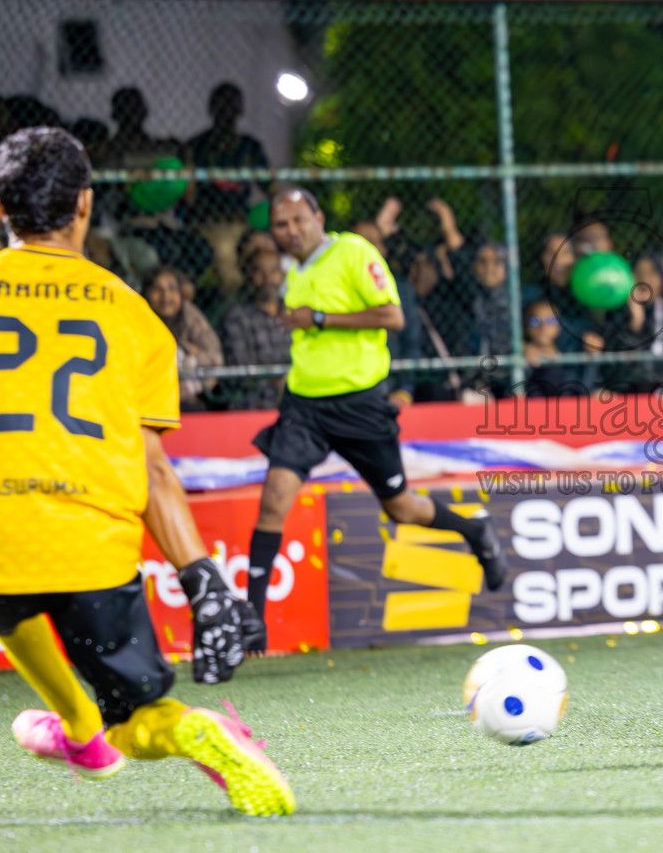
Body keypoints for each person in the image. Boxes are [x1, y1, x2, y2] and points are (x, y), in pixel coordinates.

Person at [0, 127, 292, 814]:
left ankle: (80, 730)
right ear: (86, 205)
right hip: (91, 555)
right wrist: (203, 582)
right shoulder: (135, 315)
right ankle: (159, 730)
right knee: (142, 721)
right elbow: (153, 473)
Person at [246, 187, 507, 644]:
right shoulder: (293, 272)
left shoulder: (352, 251)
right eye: (281, 225)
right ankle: (252, 623)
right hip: (304, 405)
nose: (291, 231)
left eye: (298, 220)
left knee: (402, 508)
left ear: (317, 216)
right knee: (273, 499)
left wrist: (320, 318)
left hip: (360, 404)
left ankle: (475, 530)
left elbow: (393, 315)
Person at [220, 247, 293, 409]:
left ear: (282, 275)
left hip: (297, 397)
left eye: (274, 271)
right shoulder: (237, 318)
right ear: (249, 276)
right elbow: (242, 373)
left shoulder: (295, 313)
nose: (268, 279)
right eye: (260, 272)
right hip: (256, 404)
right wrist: (282, 381)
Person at [143, 265, 223, 411]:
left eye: (172, 289)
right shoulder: (140, 318)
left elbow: (215, 357)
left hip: (190, 401)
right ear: (146, 294)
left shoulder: (188, 314)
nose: (166, 297)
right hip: (151, 399)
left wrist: (190, 358)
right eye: (157, 290)